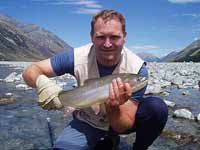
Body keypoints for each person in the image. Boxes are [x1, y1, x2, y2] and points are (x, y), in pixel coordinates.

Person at [23, 9, 168, 150]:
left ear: (124, 36)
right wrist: (43, 84)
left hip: (118, 121)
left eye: (114, 37)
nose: (107, 44)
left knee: (156, 108)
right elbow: (31, 71)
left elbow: (122, 126)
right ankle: (106, 139)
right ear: (92, 36)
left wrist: (112, 106)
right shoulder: (76, 57)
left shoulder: (137, 70)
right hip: (88, 120)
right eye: (100, 37)